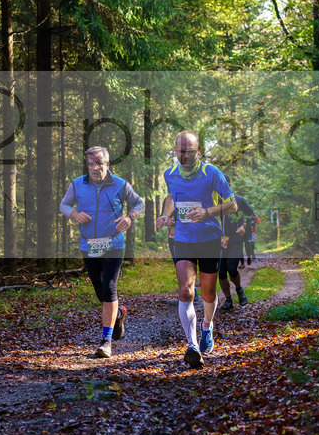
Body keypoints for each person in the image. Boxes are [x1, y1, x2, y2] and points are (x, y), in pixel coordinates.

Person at [155, 131, 236, 369]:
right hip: (183, 238)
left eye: (189, 151)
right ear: (175, 150)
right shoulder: (169, 174)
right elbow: (171, 196)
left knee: (208, 294)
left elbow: (232, 204)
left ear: (198, 151)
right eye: (181, 151)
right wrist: (165, 215)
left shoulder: (211, 173)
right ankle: (191, 345)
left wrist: (206, 212)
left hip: (209, 238)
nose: (185, 155)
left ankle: (207, 326)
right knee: (186, 291)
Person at [60, 146, 144, 359]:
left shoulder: (120, 184)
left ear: (107, 164)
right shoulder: (77, 184)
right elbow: (64, 205)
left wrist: (130, 217)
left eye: (99, 163)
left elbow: (138, 203)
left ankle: (106, 341)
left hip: (114, 244)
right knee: (100, 292)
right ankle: (118, 315)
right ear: (87, 165)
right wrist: (75, 214)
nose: (95, 168)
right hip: (89, 245)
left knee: (109, 288)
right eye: (91, 164)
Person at [219, 193, 256, 311]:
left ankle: (239, 289)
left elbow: (252, 216)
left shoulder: (239, 200)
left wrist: (244, 226)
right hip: (217, 241)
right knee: (221, 272)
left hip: (235, 240)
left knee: (231, 268)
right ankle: (228, 299)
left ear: (228, 184)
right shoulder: (212, 200)